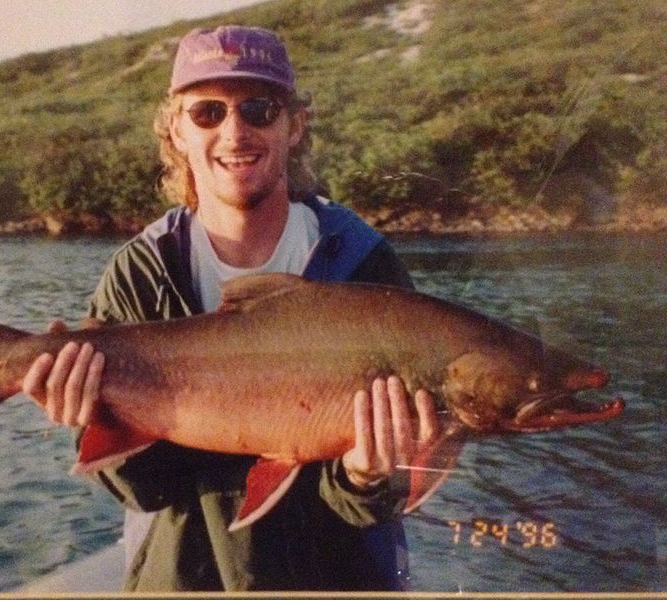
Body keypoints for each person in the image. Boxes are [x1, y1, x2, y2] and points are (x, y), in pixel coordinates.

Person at [22, 25, 439, 591]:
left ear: (295, 125)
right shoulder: (142, 270)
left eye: (259, 109)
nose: (235, 132)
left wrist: (366, 474)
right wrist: (89, 417)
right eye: (208, 113)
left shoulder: (362, 262)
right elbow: (144, 489)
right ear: (176, 129)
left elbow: (379, 503)